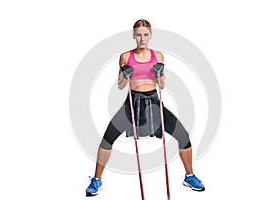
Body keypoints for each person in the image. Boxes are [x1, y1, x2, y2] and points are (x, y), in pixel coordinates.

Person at [85, 19, 205, 196]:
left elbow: (162, 85)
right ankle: (96, 180)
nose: (142, 38)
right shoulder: (126, 56)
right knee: (107, 139)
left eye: (145, 34)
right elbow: (120, 85)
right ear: (134, 36)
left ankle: (189, 176)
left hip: (154, 102)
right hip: (132, 103)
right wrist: (125, 75)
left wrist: (159, 75)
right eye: (139, 35)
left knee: (183, 136)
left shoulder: (159, 56)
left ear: (150, 36)